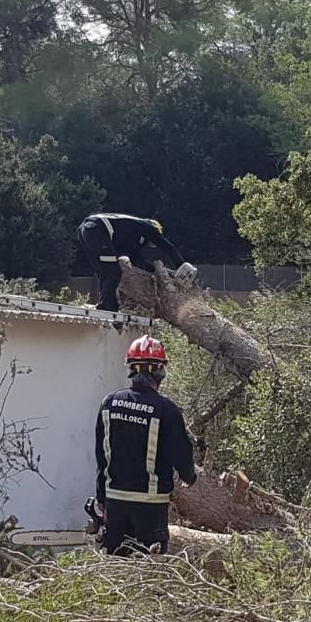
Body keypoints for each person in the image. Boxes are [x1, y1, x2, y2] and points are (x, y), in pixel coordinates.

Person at [93, 335, 197, 556]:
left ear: (131, 369)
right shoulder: (166, 410)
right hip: (150, 506)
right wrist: (190, 476)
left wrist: (101, 497)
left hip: (115, 502)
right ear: (160, 371)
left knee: (116, 568)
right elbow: (181, 455)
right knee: (149, 570)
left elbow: (102, 457)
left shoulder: (109, 404)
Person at [77, 213, 197, 312]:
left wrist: (156, 273)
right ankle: (107, 307)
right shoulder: (147, 227)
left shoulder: (129, 234)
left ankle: (107, 305)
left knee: (104, 271)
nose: (151, 244)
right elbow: (167, 247)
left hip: (87, 231)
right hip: (97, 229)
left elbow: (138, 261)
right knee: (113, 272)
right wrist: (181, 264)